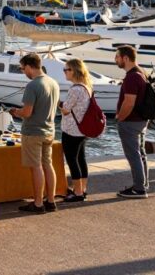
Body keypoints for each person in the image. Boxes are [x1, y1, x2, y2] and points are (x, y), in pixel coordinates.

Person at [10, 53, 60, 213]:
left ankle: (38, 203)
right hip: (49, 130)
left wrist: (16, 112)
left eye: (24, 68)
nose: (24, 72)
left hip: (33, 132)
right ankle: (51, 200)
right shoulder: (53, 82)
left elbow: (27, 112)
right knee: (48, 165)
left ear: (30, 66)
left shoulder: (33, 85)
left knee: (36, 167)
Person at [115, 45, 149, 199]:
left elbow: (129, 102)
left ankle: (139, 189)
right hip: (141, 120)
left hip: (131, 121)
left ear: (126, 58)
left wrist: (119, 118)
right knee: (140, 154)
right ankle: (142, 184)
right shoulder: (141, 72)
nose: (115, 60)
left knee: (133, 155)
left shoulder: (132, 77)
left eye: (117, 57)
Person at [60, 58, 93, 202]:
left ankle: (78, 192)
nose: (64, 72)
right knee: (81, 159)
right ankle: (83, 189)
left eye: (66, 70)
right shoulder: (87, 87)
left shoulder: (75, 89)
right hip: (83, 129)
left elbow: (66, 110)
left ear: (74, 71)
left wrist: (58, 103)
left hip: (72, 130)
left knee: (72, 160)